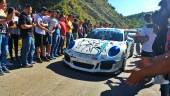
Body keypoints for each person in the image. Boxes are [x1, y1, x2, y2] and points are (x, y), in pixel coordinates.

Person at [0, 0, 15, 75]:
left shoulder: (3, 12)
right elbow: (4, 20)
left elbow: (7, 22)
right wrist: (6, 19)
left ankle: (3, 65)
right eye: (3, 2)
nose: (5, 4)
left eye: (5, 3)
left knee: (5, 52)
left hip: (5, 33)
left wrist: (12, 13)